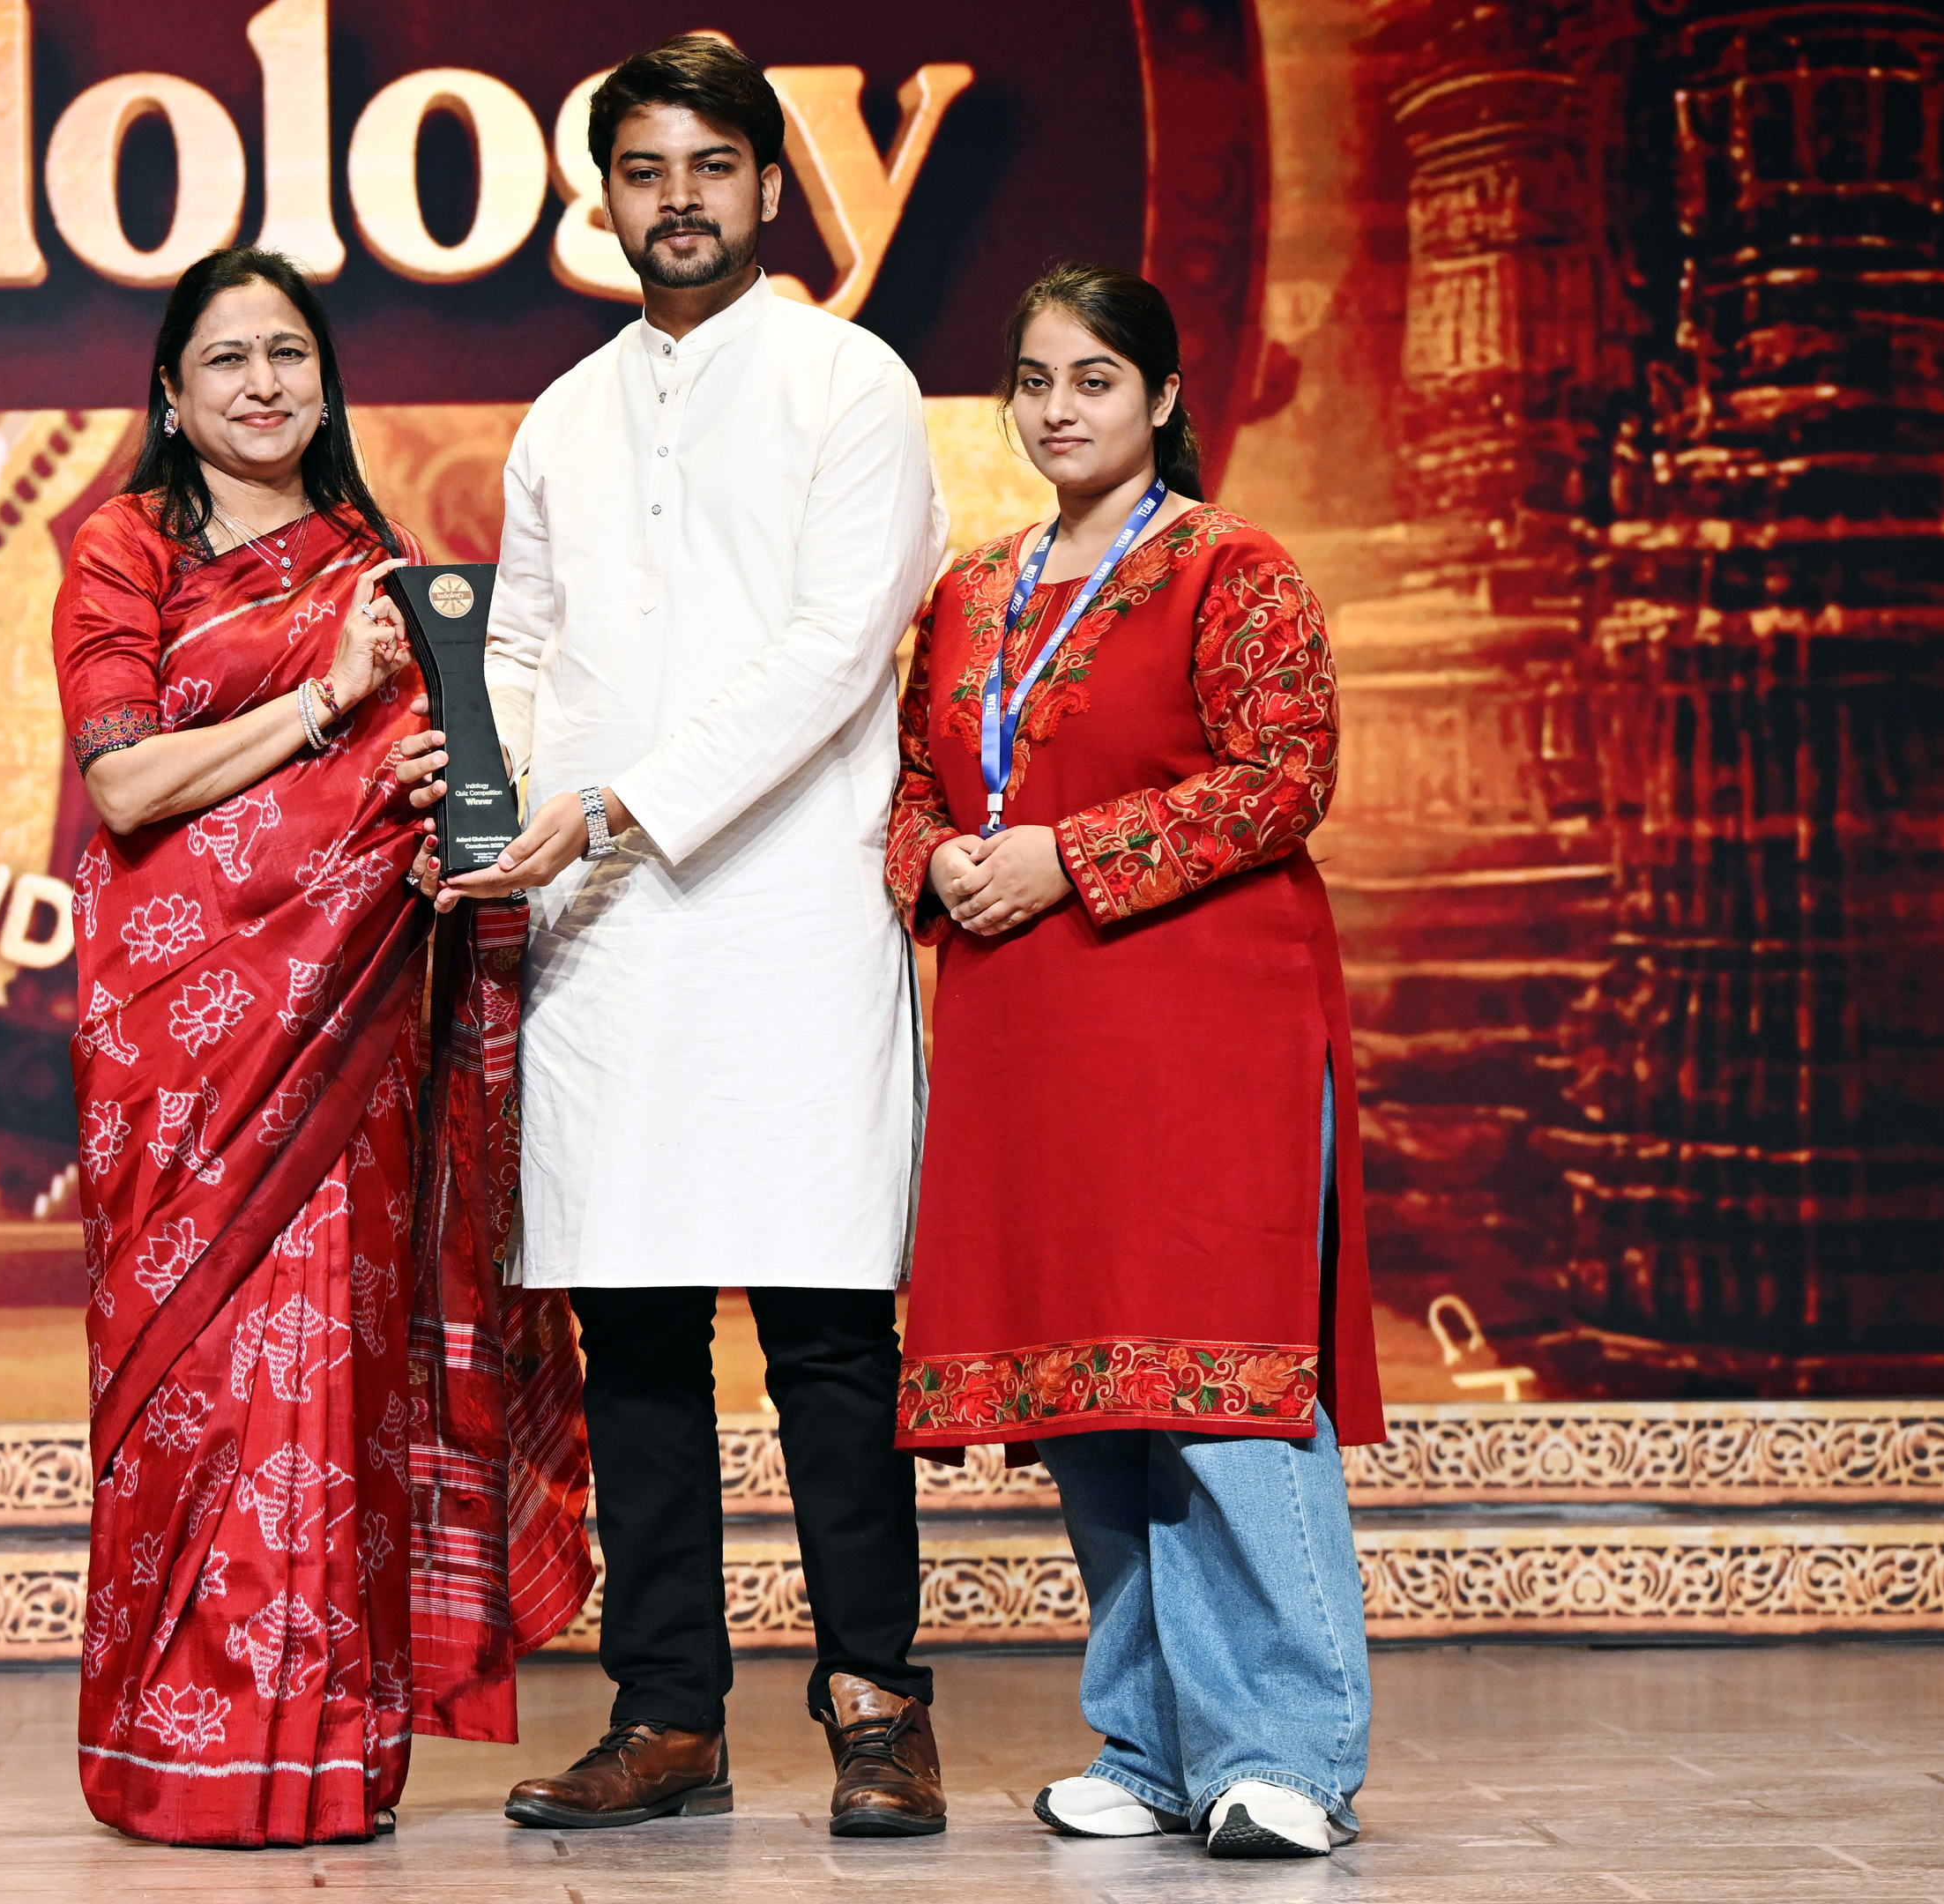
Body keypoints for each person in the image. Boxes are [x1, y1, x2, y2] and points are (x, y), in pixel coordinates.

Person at [429, 35, 951, 1840]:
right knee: (637, 1333)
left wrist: (633, 800)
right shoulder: (567, 414)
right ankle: (669, 1717)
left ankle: (881, 1711)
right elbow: (522, 642)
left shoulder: (848, 380)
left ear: (767, 185)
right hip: (599, 932)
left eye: (709, 169)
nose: (677, 203)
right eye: (643, 172)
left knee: (825, 1335)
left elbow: (831, 652)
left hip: (786, 911)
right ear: (600, 199)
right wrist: (474, 777)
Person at [52, 246, 591, 1848]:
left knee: (333, 1396)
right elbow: (128, 790)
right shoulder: (122, 549)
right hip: (180, 1060)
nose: (263, 384)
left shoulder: (382, 563)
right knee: (192, 1401)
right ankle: (173, 1747)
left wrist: (430, 799)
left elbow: (440, 776)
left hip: (349, 1036)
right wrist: (325, 707)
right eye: (226, 358)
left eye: (290, 353)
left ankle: (329, 1754)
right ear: (171, 390)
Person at [887, 260, 1384, 1860]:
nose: (1058, 409)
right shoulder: (974, 593)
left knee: (1226, 1386)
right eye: (1034, 379)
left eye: (1095, 379)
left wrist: (1063, 857)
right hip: (1030, 1034)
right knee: (1098, 1393)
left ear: (1165, 397)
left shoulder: (1234, 571)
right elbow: (912, 779)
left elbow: (1285, 776)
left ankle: (1289, 1753)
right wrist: (938, 866)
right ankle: (1156, 1746)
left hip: (1204, 1027)